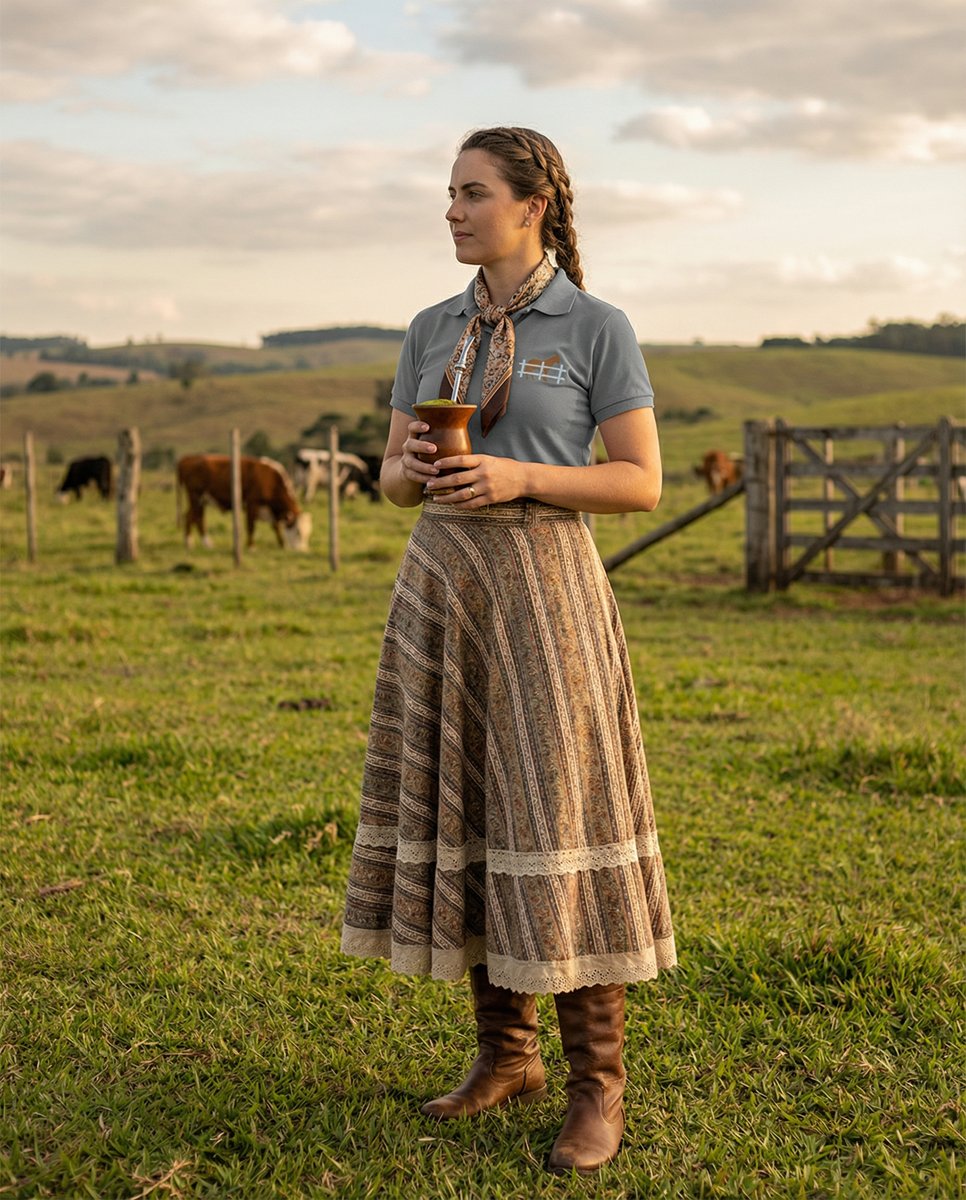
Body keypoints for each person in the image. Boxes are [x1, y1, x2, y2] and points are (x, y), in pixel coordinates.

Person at [341, 126, 676, 1175]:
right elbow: (396, 480)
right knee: (475, 809)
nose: (452, 209)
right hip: (444, 586)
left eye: (472, 192)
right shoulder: (429, 327)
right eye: (447, 192)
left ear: (531, 206)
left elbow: (639, 480)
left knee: (556, 812)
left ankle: (598, 1087)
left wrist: (520, 475)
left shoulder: (594, 326)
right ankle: (505, 1057)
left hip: (545, 588)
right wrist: (412, 468)